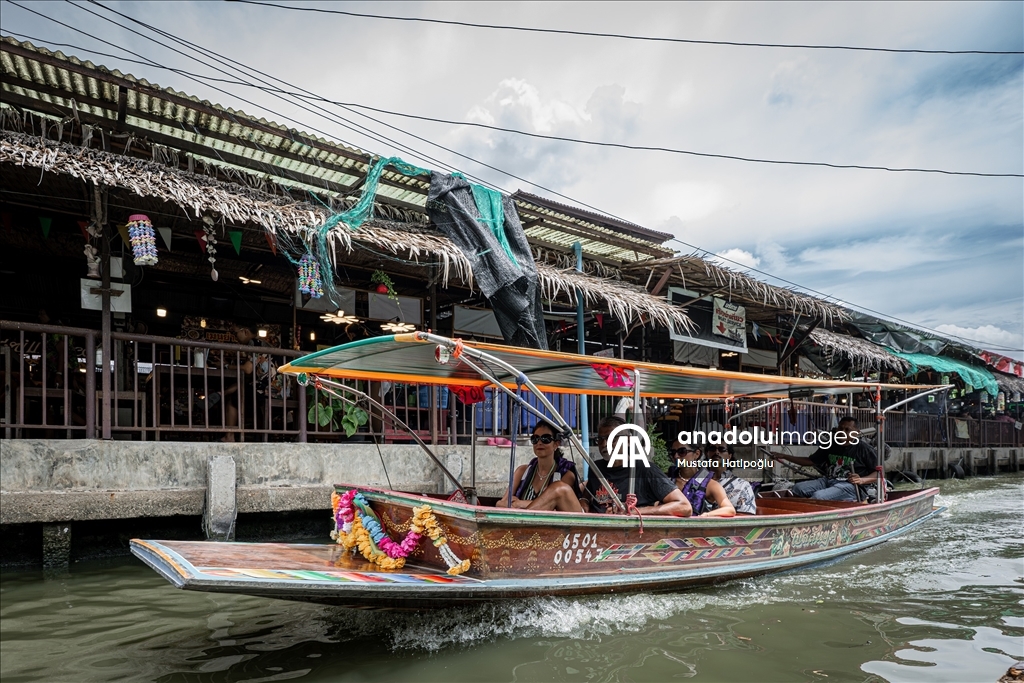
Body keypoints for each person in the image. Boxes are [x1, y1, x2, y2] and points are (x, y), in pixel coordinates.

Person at [581, 416, 692, 516]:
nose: (604, 444)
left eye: (612, 438)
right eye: (600, 439)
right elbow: (588, 494)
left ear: (628, 440)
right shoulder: (596, 468)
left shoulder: (646, 470)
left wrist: (634, 511)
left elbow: (684, 506)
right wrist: (584, 501)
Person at [769, 416, 878, 501]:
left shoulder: (864, 449)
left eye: (847, 430)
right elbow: (811, 461)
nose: (842, 432)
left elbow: (878, 473)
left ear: (856, 433)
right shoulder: (830, 444)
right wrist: (784, 456)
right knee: (797, 488)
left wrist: (861, 480)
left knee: (818, 496)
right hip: (828, 480)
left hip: (851, 486)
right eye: (840, 428)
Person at [496, 420, 583, 512]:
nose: (539, 443)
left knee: (559, 488)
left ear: (556, 444)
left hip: (553, 521)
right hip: (524, 519)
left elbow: (556, 506)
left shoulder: (565, 474)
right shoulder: (522, 471)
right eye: (535, 439)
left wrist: (519, 503)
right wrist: (518, 504)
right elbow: (500, 503)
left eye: (546, 438)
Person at [668, 443, 735, 517]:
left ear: (697, 454)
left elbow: (729, 509)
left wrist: (707, 515)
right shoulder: (667, 480)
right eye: (673, 452)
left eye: (682, 451)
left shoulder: (709, 484)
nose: (676, 456)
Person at [708, 444, 758, 514]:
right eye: (712, 449)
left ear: (729, 456)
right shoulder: (696, 482)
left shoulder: (742, 485)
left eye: (722, 449)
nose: (716, 452)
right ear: (707, 454)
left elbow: (746, 517)